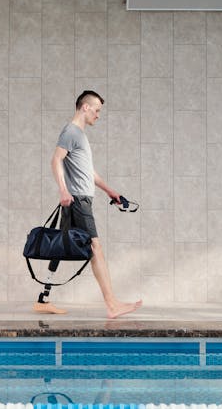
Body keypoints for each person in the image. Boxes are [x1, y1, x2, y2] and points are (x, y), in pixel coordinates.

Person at [33, 90, 143, 319]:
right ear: (85, 107)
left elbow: (88, 172)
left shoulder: (79, 135)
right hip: (77, 201)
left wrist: (110, 191)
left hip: (79, 199)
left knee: (61, 245)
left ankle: (43, 299)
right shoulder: (71, 132)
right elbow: (55, 160)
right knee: (95, 248)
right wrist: (63, 190)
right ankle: (112, 304)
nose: (98, 115)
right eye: (97, 110)